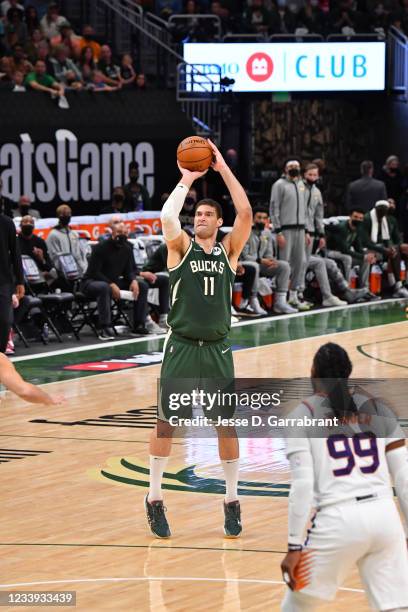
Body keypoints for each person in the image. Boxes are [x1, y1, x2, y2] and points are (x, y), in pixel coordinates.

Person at [145, 140, 252, 539]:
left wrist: (222, 168)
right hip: (183, 346)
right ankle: (154, 497)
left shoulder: (228, 250)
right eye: (198, 213)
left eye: (208, 214)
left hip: (219, 349)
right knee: (166, 423)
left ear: (218, 222)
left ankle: (231, 500)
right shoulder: (180, 248)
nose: (200, 217)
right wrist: (187, 179)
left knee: (226, 426)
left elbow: (245, 211)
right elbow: (166, 215)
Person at [281, 342, 408, 611]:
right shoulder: (379, 409)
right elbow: (404, 477)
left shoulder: (301, 415)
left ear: (313, 373)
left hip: (337, 519)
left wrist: (294, 545)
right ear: (348, 372)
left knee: (298, 605)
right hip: (384, 516)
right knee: (396, 607)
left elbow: (302, 485)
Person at [81, 221, 149, 340]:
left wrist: (133, 280)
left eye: (125, 233)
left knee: (141, 285)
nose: (121, 235)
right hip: (90, 283)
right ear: (112, 232)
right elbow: (94, 272)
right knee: (104, 287)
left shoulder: (128, 248)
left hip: (112, 283)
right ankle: (105, 327)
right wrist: (111, 284)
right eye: (119, 232)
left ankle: (139, 324)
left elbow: (129, 271)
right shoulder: (100, 248)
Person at [240, 207, 297, 315]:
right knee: (254, 266)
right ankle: (253, 300)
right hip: (245, 265)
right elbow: (245, 256)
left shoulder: (267, 233)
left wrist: (271, 261)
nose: (261, 220)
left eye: (264, 218)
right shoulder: (245, 231)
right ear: (253, 219)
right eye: (259, 217)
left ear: (267, 220)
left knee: (284, 265)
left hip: (261, 263)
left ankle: (280, 302)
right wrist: (261, 260)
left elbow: (269, 253)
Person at [270, 159, 309, 311]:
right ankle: (280, 299)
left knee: (300, 262)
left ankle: (293, 296)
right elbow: (274, 208)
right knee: (284, 264)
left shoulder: (301, 185)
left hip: (301, 229)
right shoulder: (279, 184)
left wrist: (306, 230)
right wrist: (278, 231)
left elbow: (305, 210)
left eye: (297, 166)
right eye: (291, 167)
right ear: (285, 169)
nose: (294, 169)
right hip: (285, 229)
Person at [361, 199, 408, 298]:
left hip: (382, 248)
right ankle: (394, 286)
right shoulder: (367, 218)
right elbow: (365, 242)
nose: (383, 212)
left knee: (397, 250)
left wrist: (392, 247)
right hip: (368, 247)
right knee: (387, 251)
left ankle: (400, 285)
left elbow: (392, 239)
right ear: (376, 209)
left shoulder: (387, 220)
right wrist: (385, 249)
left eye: (385, 210)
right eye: (381, 210)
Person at [326, 208, 377, 291]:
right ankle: (347, 288)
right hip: (330, 252)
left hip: (343, 253)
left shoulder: (357, 229)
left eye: (360, 218)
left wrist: (367, 256)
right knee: (348, 258)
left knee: (365, 260)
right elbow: (344, 250)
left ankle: (364, 289)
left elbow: (358, 247)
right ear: (350, 216)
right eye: (356, 217)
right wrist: (363, 256)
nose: (358, 220)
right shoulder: (342, 227)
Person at [0, 213, 24, 353]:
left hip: (3, 280)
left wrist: (20, 281)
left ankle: (1, 355)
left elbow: (15, 252)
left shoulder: (7, 223)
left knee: (4, 320)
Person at [46, 204, 88, 279]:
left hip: (78, 271)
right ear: (58, 216)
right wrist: (62, 271)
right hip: (63, 274)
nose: (66, 216)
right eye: (63, 214)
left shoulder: (74, 234)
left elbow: (79, 254)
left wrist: (84, 268)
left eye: (69, 214)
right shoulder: (53, 235)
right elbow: (53, 257)